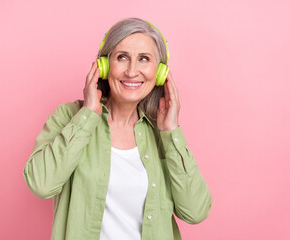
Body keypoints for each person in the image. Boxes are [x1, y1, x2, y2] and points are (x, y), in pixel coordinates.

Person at [23, 18, 212, 240]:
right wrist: (88, 115)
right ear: (103, 65)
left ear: (160, 72)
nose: (132, 71)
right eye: (122, 57)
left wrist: (171, 133)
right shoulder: (69, 117)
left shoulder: (162, 133)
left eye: (144, 59)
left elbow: (196, 211)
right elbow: (41, 185)